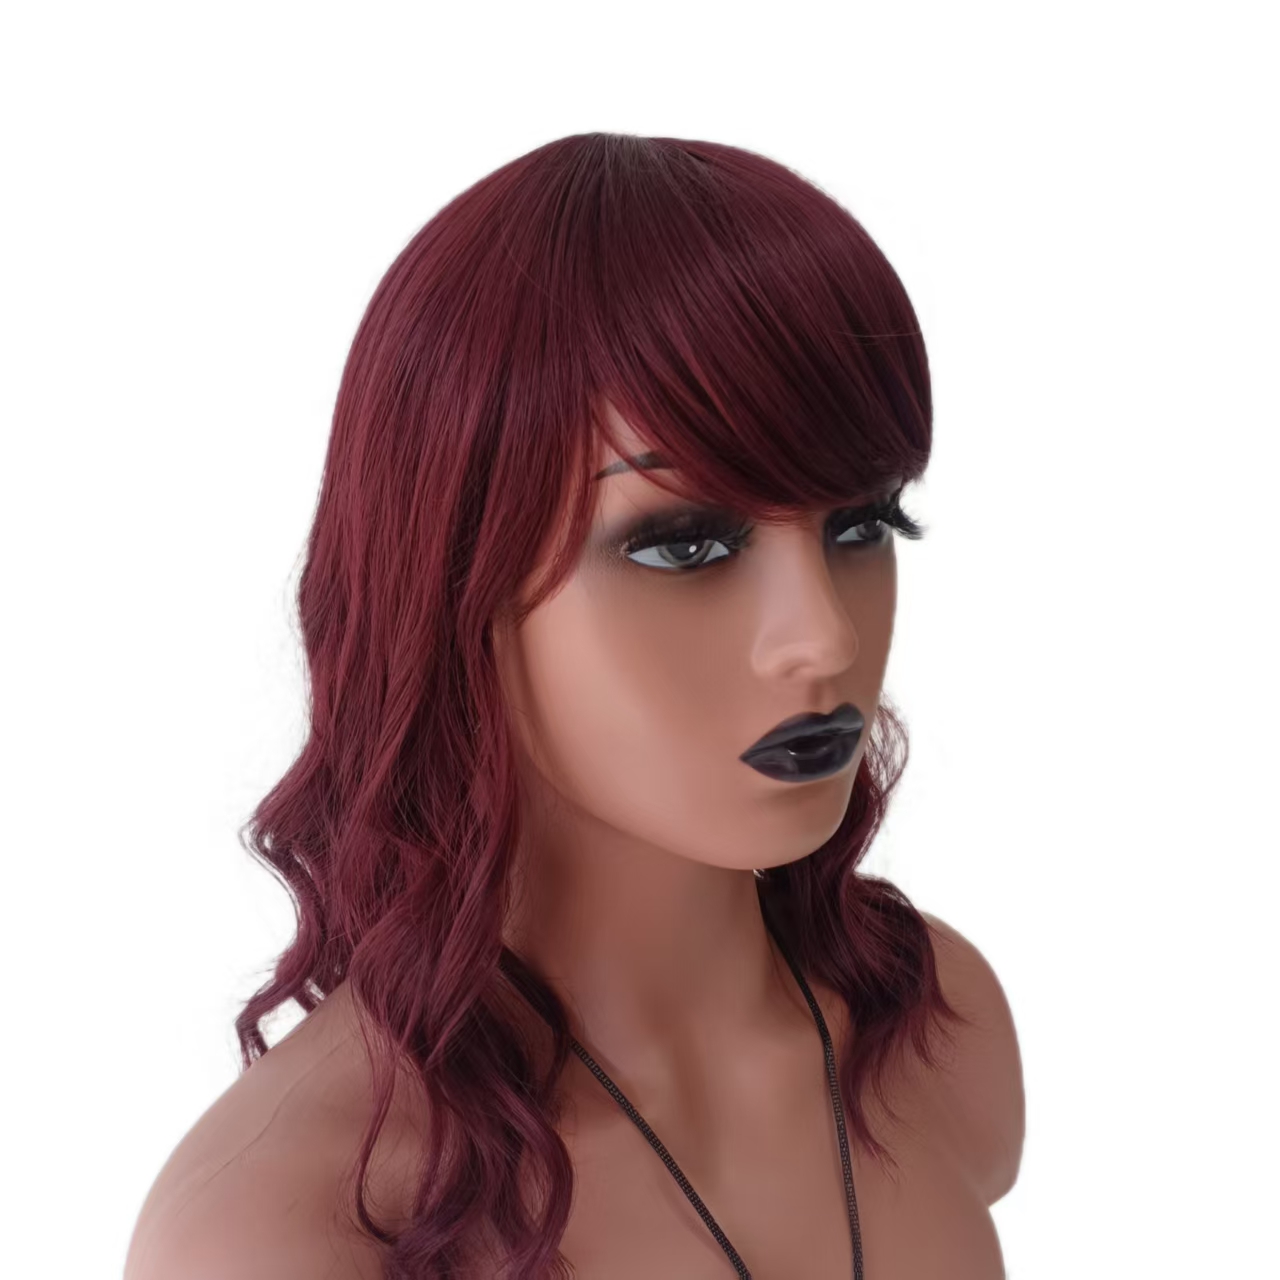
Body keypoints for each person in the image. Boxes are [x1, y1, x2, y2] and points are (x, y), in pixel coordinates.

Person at [124, 131, 1023, 1280]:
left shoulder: (934, 1028)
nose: (823, 636)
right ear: (453, 587)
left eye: (860, 524)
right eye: (685, 544)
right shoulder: (291, 1229)